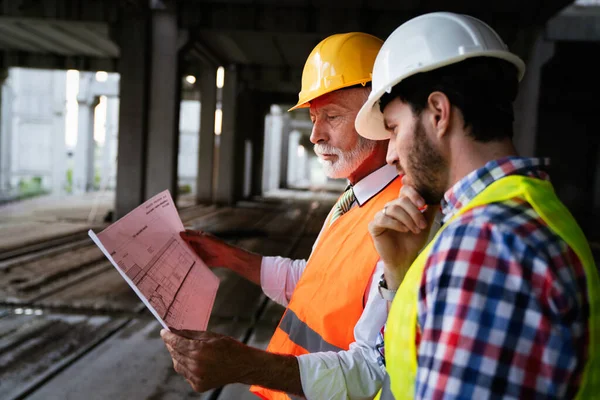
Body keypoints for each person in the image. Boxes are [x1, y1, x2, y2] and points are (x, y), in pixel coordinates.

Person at [355, 11, 600, 399]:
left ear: (438, 113)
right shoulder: (522, 212)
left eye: (394, 129)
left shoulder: (485, 245)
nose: (389, 156)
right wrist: (402, 276)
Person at [161, 32, 404, 399]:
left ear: (381, 117)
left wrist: (244, 364)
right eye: (312, 117)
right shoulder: (357, 197)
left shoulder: (402, 219)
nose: (315, 135)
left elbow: (371, 371)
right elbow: (315, 283)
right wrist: (228, 257)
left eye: (332, 116)